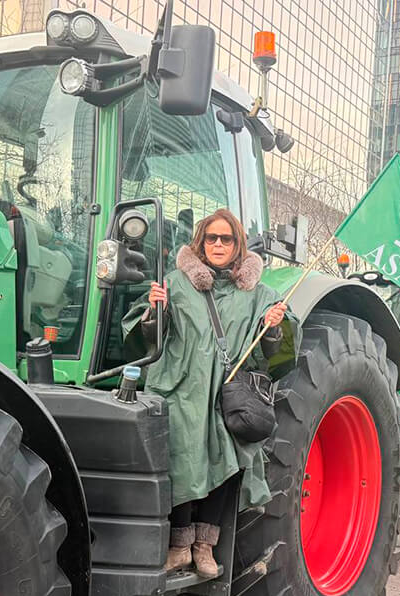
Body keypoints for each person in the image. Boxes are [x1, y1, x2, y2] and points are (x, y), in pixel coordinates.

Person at [123, 208, 295, 577]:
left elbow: (277, 354)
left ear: (238, 245)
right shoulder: (175, 282)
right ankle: (180, 546)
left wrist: (275, 327)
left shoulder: (258, 294)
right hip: (183, 390)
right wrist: (156, 312)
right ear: (200, 243)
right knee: (182, 461)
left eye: (226, 239)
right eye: (211, 239)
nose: (218, 245)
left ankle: (205, 547)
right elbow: (146, 340)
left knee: (225, 465)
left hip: (227, 395)